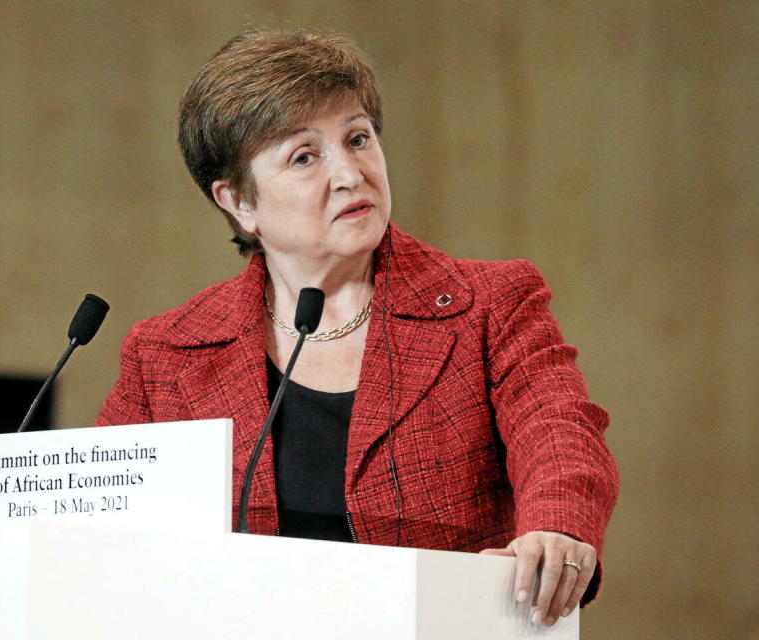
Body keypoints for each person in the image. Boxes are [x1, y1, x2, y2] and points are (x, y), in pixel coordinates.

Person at [98, 28, 618, 627]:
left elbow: (559, 429)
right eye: (304, 155)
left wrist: (555, 524)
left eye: (358, 138)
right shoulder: (166, 354)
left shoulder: (489, 305)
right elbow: (104, 526)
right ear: (239, 202)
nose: (349, 173)